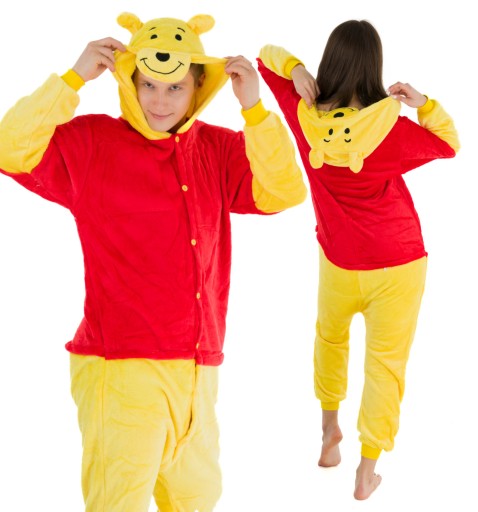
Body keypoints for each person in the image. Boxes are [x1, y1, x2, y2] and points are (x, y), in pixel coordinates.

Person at [0, 12, 307, 512]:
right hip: (124, 369)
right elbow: (9, 147)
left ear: (198, 87)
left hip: (199, 369)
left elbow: (284, 191)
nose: (160, 101)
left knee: (197, 500)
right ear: (131, 81)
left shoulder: (217, 148)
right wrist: (73, 78)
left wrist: (254, 110)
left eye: (175, 88)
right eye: (149, 85)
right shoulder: (92, 143)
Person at [257, 19, 459, 500]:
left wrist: (297, 69)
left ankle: (329, 429)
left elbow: (265, 56)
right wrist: (423, 103)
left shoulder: (303, 113)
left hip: (340, 262)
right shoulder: (390, 129)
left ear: (329, 61)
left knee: (330, 338)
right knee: (385, 365)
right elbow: (448, 142)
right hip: (400, 262)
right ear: (374, 68)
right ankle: (367, 472)